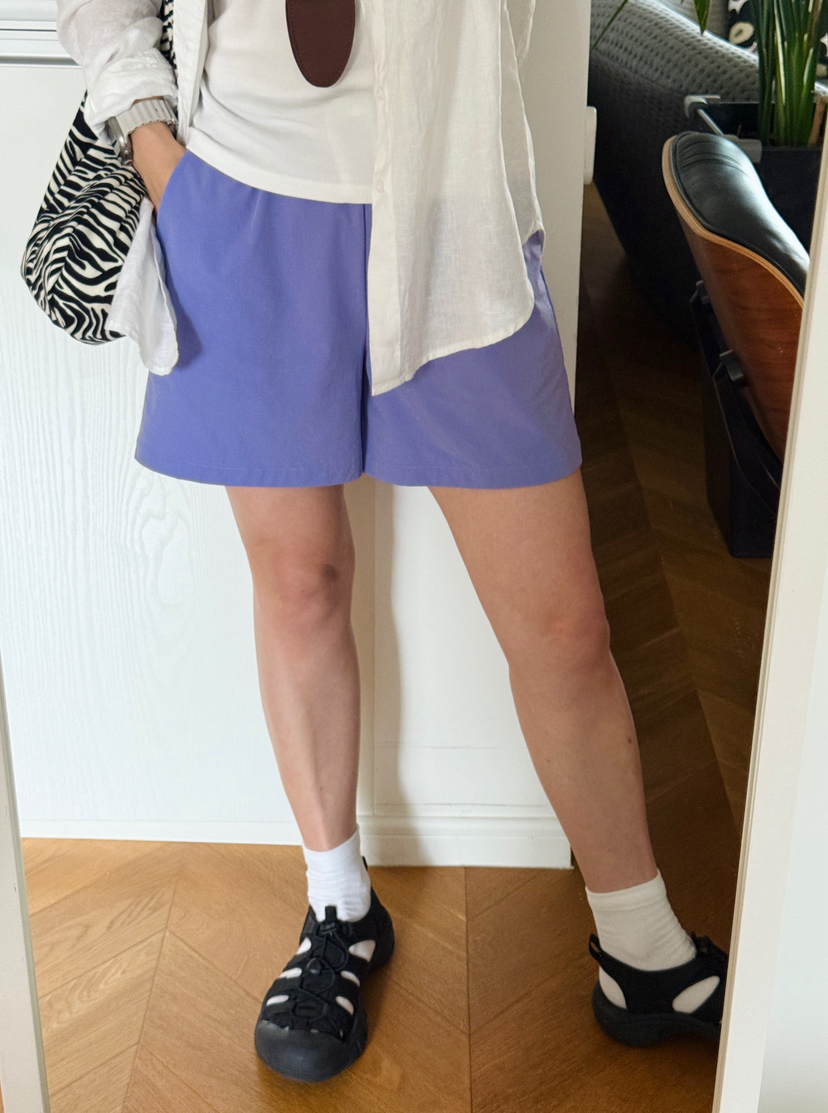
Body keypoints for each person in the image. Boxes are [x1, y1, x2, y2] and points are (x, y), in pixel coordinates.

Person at [56, 0, 728, 1084]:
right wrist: (154, 145)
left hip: (456, 215)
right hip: (242, 203)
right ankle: (338, 907)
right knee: (300, 582)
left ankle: (642, 947)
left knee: (562, 627)